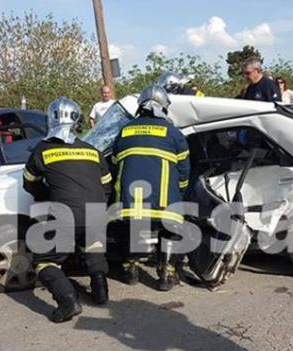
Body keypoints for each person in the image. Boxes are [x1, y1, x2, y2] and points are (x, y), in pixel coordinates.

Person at [23, 97, 112, 323]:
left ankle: (68, 302)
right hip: (96, 210)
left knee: (44, 260)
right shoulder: (92, 149)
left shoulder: (43, 150)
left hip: (64, 213)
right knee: (93, 245)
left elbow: (29, 182)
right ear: (77, 121)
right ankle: (101, 292)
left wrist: (47, 198)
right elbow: (107, 184)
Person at [112, 85, 190, 291]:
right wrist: (180, 192)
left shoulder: (125, 130)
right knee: (170, 232)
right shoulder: (173, 133)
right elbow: (184, 169)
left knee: (131, 230)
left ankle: (131, 271)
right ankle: (166, 275)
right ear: (163, 107)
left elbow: (114, 161)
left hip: (131, 200)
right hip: (165, 200)